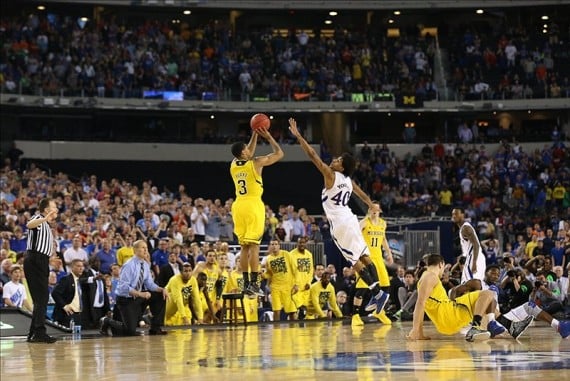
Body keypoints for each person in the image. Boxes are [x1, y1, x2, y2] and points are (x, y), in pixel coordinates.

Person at [288, 118, 387, 314]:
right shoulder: (348, 180)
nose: (334, 160)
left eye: (338, 160)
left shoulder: (331, 175)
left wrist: (299, 136)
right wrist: (371, 205)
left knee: (354, 261)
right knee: (365, 256)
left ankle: (377, 293)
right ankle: (379, 292)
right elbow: (362, 194)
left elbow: (313, 155)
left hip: (340, 223)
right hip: (351, 218)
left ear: (341, 167)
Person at [406, 254, 529, 342]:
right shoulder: (430, 277)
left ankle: (511, 327)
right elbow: (420, 303)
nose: (443, 271)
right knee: (487, 294)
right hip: (448, 314)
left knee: (486, 301)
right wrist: (416, 330)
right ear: (441, 264)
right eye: (443, 268)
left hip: (446, 318)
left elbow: (423, 303)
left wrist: (419, 332)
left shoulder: (426, 276)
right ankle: (475, 327)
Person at [230, 126, 284, 297]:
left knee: (244, 247)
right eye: (246, 148)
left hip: (238, 206)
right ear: (243, 153)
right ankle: (255, 283)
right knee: (254, 246)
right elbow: (279, 153)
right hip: (253, 205)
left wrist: (254, 133)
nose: (249, 149)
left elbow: (248, 151)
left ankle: (247, 284)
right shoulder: (257, 162)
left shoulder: (233, 164)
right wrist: (268, 137)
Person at [99, 240, 169, 336]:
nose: (146, 250)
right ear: (135, 250)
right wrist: (141, 294)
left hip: (137, 297)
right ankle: (106, 321)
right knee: (130, 331)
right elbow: (123, 287)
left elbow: (149, 283)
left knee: (160, 295)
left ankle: (155, 328)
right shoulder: (129, 265)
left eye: (146, 248)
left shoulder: (145, 264)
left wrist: (162, 289)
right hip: (125, 299)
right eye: (143, 248)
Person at [24, 197, 58, 343]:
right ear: (46, 209)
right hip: (35, 260)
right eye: (54, 206)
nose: (56, 208)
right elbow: (29, 224)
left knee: (40, 299)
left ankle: (33, 333)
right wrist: (45, 218)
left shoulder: (46, 225)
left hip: (41, 260)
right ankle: (39, 332)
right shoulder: (39, 218)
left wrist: (50, 258)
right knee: (42, 298)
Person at [356, 202, 394, 325]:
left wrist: (389, 253)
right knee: (362, 288)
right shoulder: (363, 222)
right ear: (368, 210)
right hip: (365, 258)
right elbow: (354, 235)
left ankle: (379, 311)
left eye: (376, 209)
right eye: (372, 208)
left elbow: (383, 239)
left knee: (386, 285)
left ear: (379, 211)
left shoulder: (383, 223)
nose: (374, 211)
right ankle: (355, 316)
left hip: (378, 257)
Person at [264, 239, 297, 321]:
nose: (274, 246)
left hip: (288, 287)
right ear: (270, 246)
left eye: (276, 244)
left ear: (279, 246)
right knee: (276, 310)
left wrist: (296, 284)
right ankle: (276, 330)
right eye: (272, 244)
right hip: (275, 288)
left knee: (292, 311)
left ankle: (294, 329)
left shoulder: (286, 254)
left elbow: (295, 269)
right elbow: (269, 274)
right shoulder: (268, 259)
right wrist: (262, 275)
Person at [451, 207, 486, 283]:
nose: (454, 216)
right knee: (470, 285)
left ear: (463, 215)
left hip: (474, 258)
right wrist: (463, 255)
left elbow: (476, 244)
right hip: (473, 257)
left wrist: (474, 263)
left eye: (456, 214)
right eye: (453, 214)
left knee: (469, 285)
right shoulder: (463, 228)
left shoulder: (465, 228)